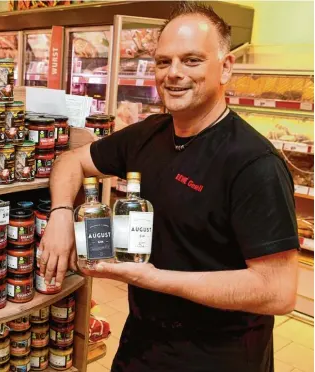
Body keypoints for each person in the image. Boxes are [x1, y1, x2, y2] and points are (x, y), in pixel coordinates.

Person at [38, 2, 299, 372]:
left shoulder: (253, 163)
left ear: (225, 67)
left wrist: (153, 279)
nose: (173, 74)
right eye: (163, 62)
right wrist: (61, 213)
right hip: (142, 343)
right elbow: (71, 161)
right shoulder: (149, 134)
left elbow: (278, 290)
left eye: (191, 60)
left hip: (218, 355)